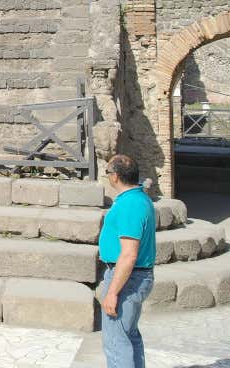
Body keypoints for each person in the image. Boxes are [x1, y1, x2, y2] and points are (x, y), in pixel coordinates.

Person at [99, 154, 156, 368]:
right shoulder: (138, 198)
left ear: (114, 177)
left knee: (116, 342)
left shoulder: (130, 204)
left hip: (127, 278)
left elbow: (129, 254)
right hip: (135, 276)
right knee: (129, 336)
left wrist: (112, 292)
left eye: (107, 173)